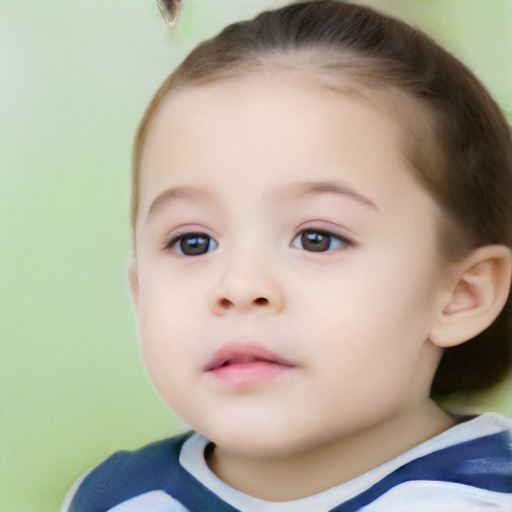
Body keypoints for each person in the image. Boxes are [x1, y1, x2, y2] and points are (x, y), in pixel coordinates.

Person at [62, 1, 512, 510]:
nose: (238, 286)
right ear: (140, 292)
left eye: (317, 238)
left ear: (460, 294)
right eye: (193, 242)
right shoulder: (113, 497)